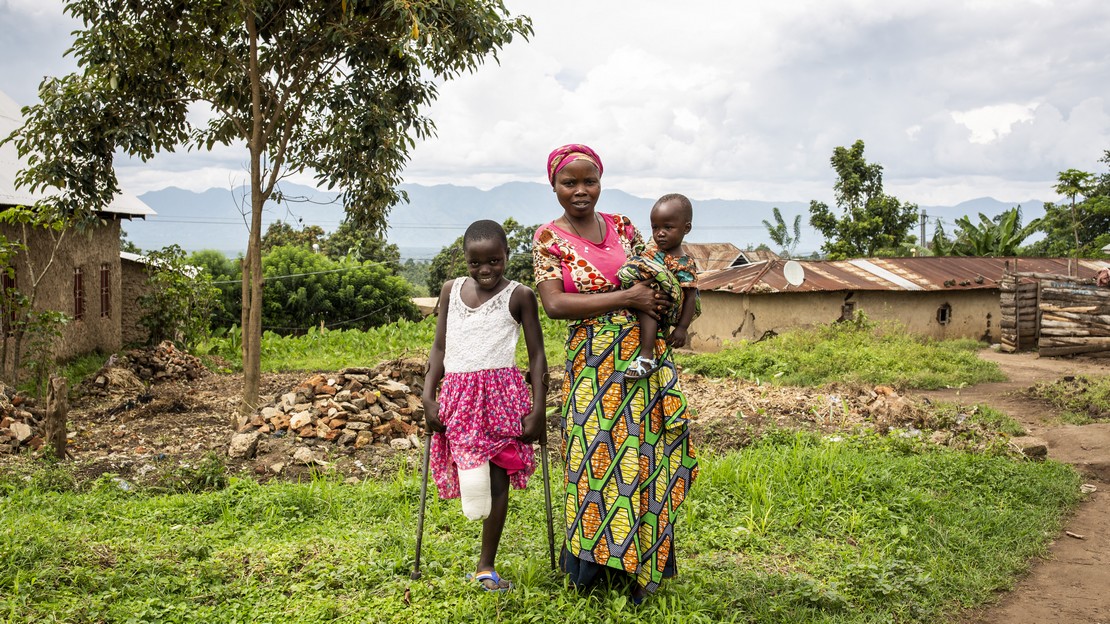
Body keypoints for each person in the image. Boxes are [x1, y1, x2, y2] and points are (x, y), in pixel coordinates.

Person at [532, 144, 698, 603]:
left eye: (590, 181)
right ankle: (592, 574)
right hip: (592, 361)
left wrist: (671, 307)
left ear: (600, 182)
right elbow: (555, 304)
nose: (581, 191)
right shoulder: (548, 238)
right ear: (555, 186)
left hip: (643, 358)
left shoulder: (624, 226)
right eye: (570, 183)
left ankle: (641, 570)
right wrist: (628, 299)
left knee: (643, 458)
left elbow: (661, 271)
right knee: (594, 457)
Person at [422, 219, 548, 593]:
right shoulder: (450, 290)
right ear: (465, 260)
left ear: (508, 256)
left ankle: (485, 566)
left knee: (496, 480)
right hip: (458, 398)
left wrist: (539, 409)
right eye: (476, 263)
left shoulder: (520, 295)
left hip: (501, 397)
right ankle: (482, 558)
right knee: (472, 483)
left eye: (494, 261)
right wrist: (429, 396)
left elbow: (538, 355)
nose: (486, 270)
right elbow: (439, 348)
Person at [618, 193, 702, 379]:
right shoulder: (650, 252)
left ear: (686, 228)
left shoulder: (684, 263)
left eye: (668, 227)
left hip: (659, 306)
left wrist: (681, 328)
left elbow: (690, 297)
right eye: (655, 227)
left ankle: (646, 356)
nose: (660, 233)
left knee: (651, 306)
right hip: (636, 305)